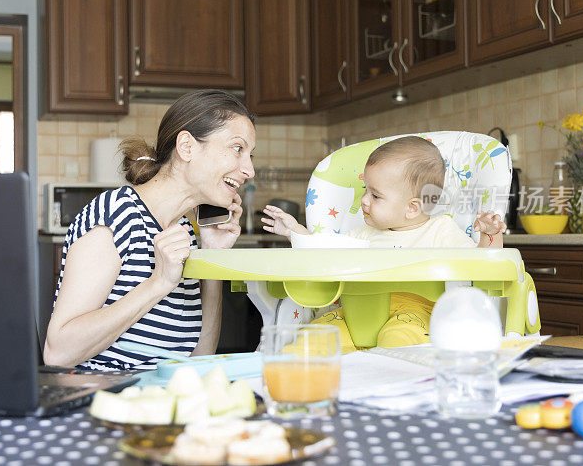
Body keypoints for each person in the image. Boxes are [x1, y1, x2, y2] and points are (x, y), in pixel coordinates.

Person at [44, 90, 255, 370]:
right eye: (238, 149)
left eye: (250, 154)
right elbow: (58, 353)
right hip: (103, 403)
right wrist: (159, 283)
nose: (250, 170)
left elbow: (198, 359)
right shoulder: (116, 214)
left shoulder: (183, 230)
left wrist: (211, 259)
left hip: (160, 403)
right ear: (187, 147)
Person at [261, 135, 507, 348]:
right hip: (352, 314)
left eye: (375, 195)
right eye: (365, 190)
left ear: (412, 208)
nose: (364, 201)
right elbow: (323, 252)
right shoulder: (362, 234)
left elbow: (482, 266)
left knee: (398, 343)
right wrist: (295, 232)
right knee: (312, 340)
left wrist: (490, 236)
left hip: (414, 314)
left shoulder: (440, 230)